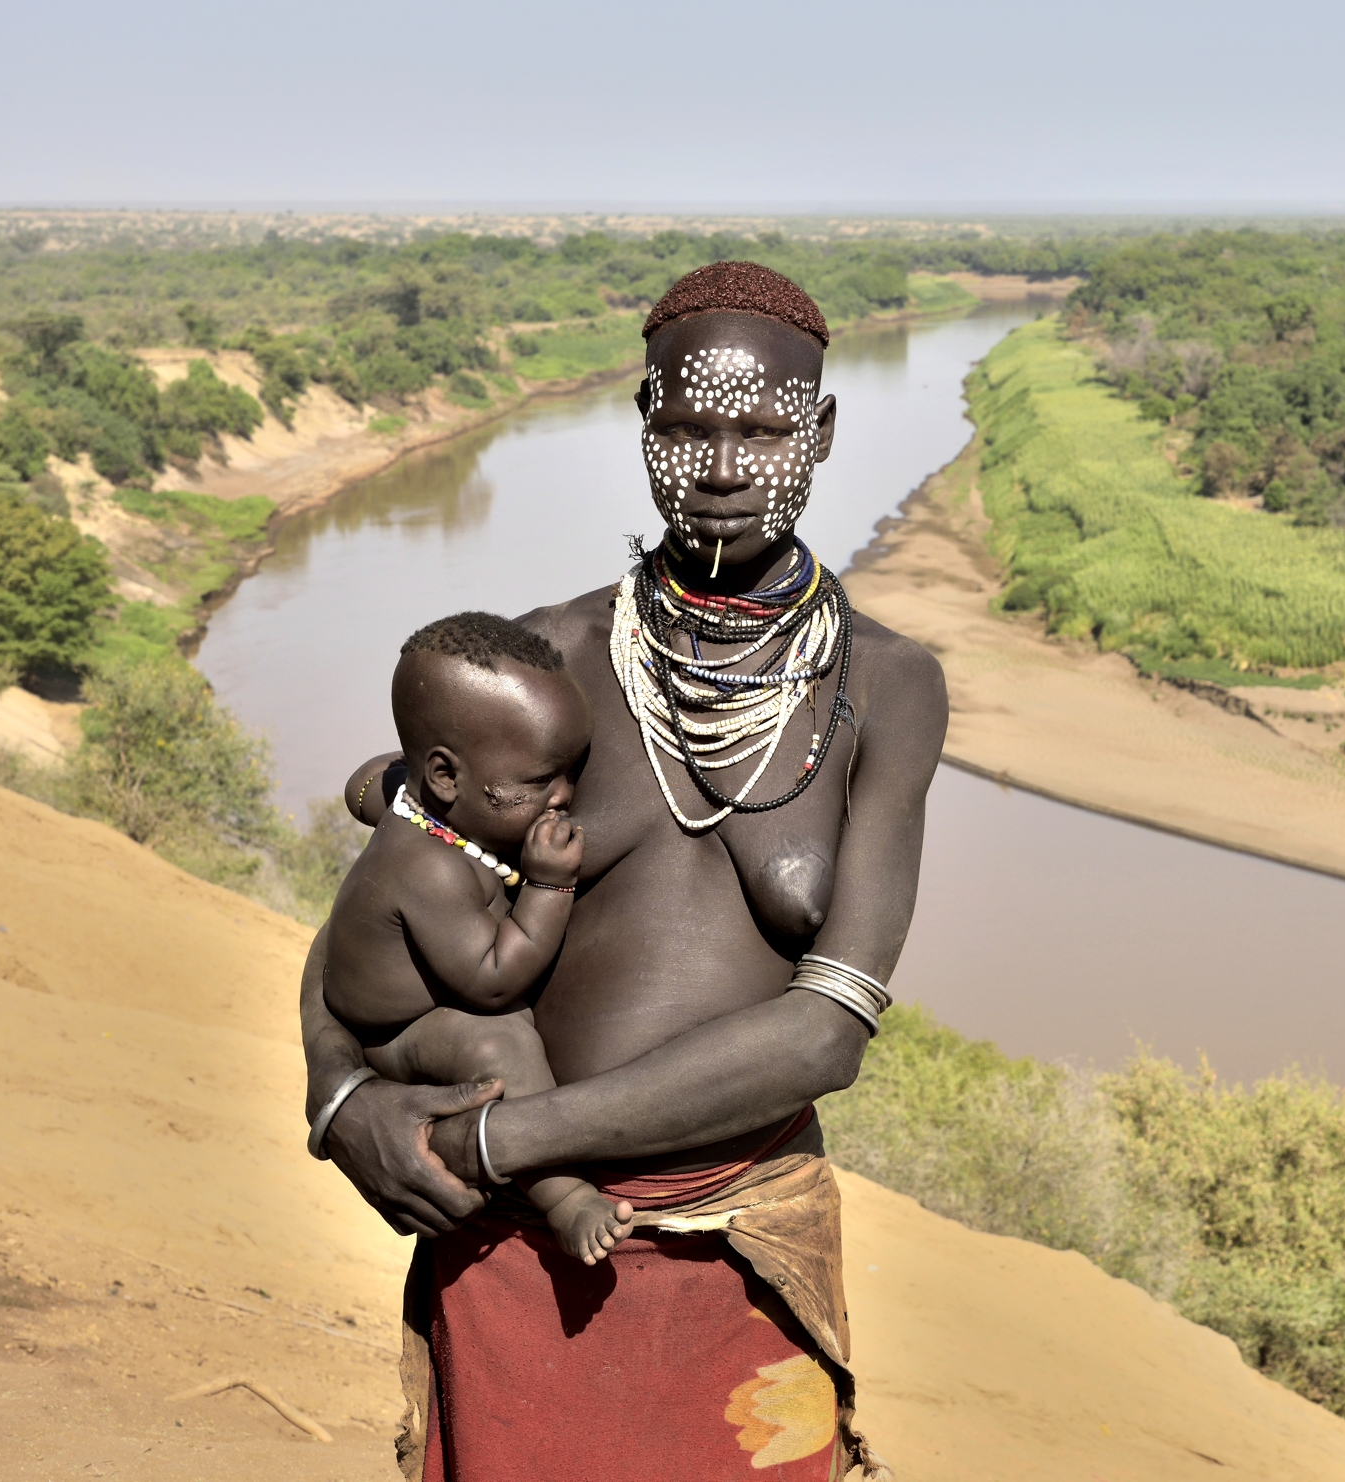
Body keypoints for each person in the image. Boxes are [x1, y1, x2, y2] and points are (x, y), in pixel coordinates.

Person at [301, 261, 946, 1480]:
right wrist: (341, 1103)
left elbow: (827, 1034)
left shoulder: (886, 688)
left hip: (736, 1250)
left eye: (760, 429)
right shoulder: (542, 666)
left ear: (821, 432)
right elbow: (380, 915)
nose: (720, 463)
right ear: (643, 424)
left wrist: (511, 1141)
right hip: (511, 1254)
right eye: (690, 424)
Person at [321, 610, 633, 1267]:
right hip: (400, 1031)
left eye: (571, 772)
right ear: (443, 778)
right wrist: (549, 887)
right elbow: (494, 978)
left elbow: (373, 788)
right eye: (538, 781)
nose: (565, 795)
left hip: (423, 1003)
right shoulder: (426, 865)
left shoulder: (438, 811)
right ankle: (563, 1195)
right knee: (504, 1039)